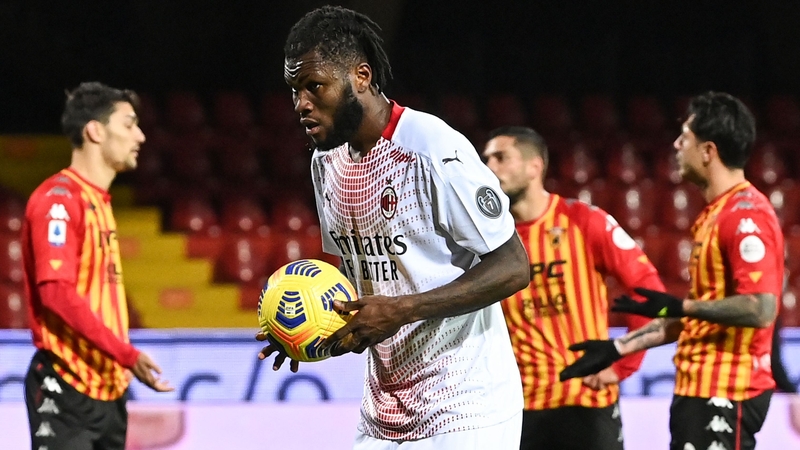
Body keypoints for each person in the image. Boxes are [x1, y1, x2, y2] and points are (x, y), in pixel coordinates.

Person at [256, 5, 529, 449]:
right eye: (294, 90)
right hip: (384, 413)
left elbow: (514, 266)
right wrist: (309, 327)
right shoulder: (326, 163)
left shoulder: (433, 149)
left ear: (360, 77)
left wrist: (402, 310)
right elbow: (364, 275)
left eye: (314, 87)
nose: (301, 104)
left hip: (465, 409)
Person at [560, 91, 783, 450]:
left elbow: (761, 308)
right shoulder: (716, 214)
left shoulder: (746, 215)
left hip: (727, 391)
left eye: (686, 137)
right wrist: (618, 347)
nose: (677, 144)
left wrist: (682, 307)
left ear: (709, 151)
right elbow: (694, 315)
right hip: (698, 389)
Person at [482, 126, 665, 450]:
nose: (489, 168)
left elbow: (647, 289)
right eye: (486, 159)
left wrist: (624, 363)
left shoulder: (582, 220)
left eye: (500, 158)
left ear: (534, 166)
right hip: (519, 409)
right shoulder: (488, 240)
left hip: (586, 401)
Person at [22, 82, 173, 450]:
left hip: (109, 391)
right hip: (66, 385)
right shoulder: (58, 200)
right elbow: (56, 293)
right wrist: (127, 353)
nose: (139, 135)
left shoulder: (99, 202)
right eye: (128, 124)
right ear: (94, 130)